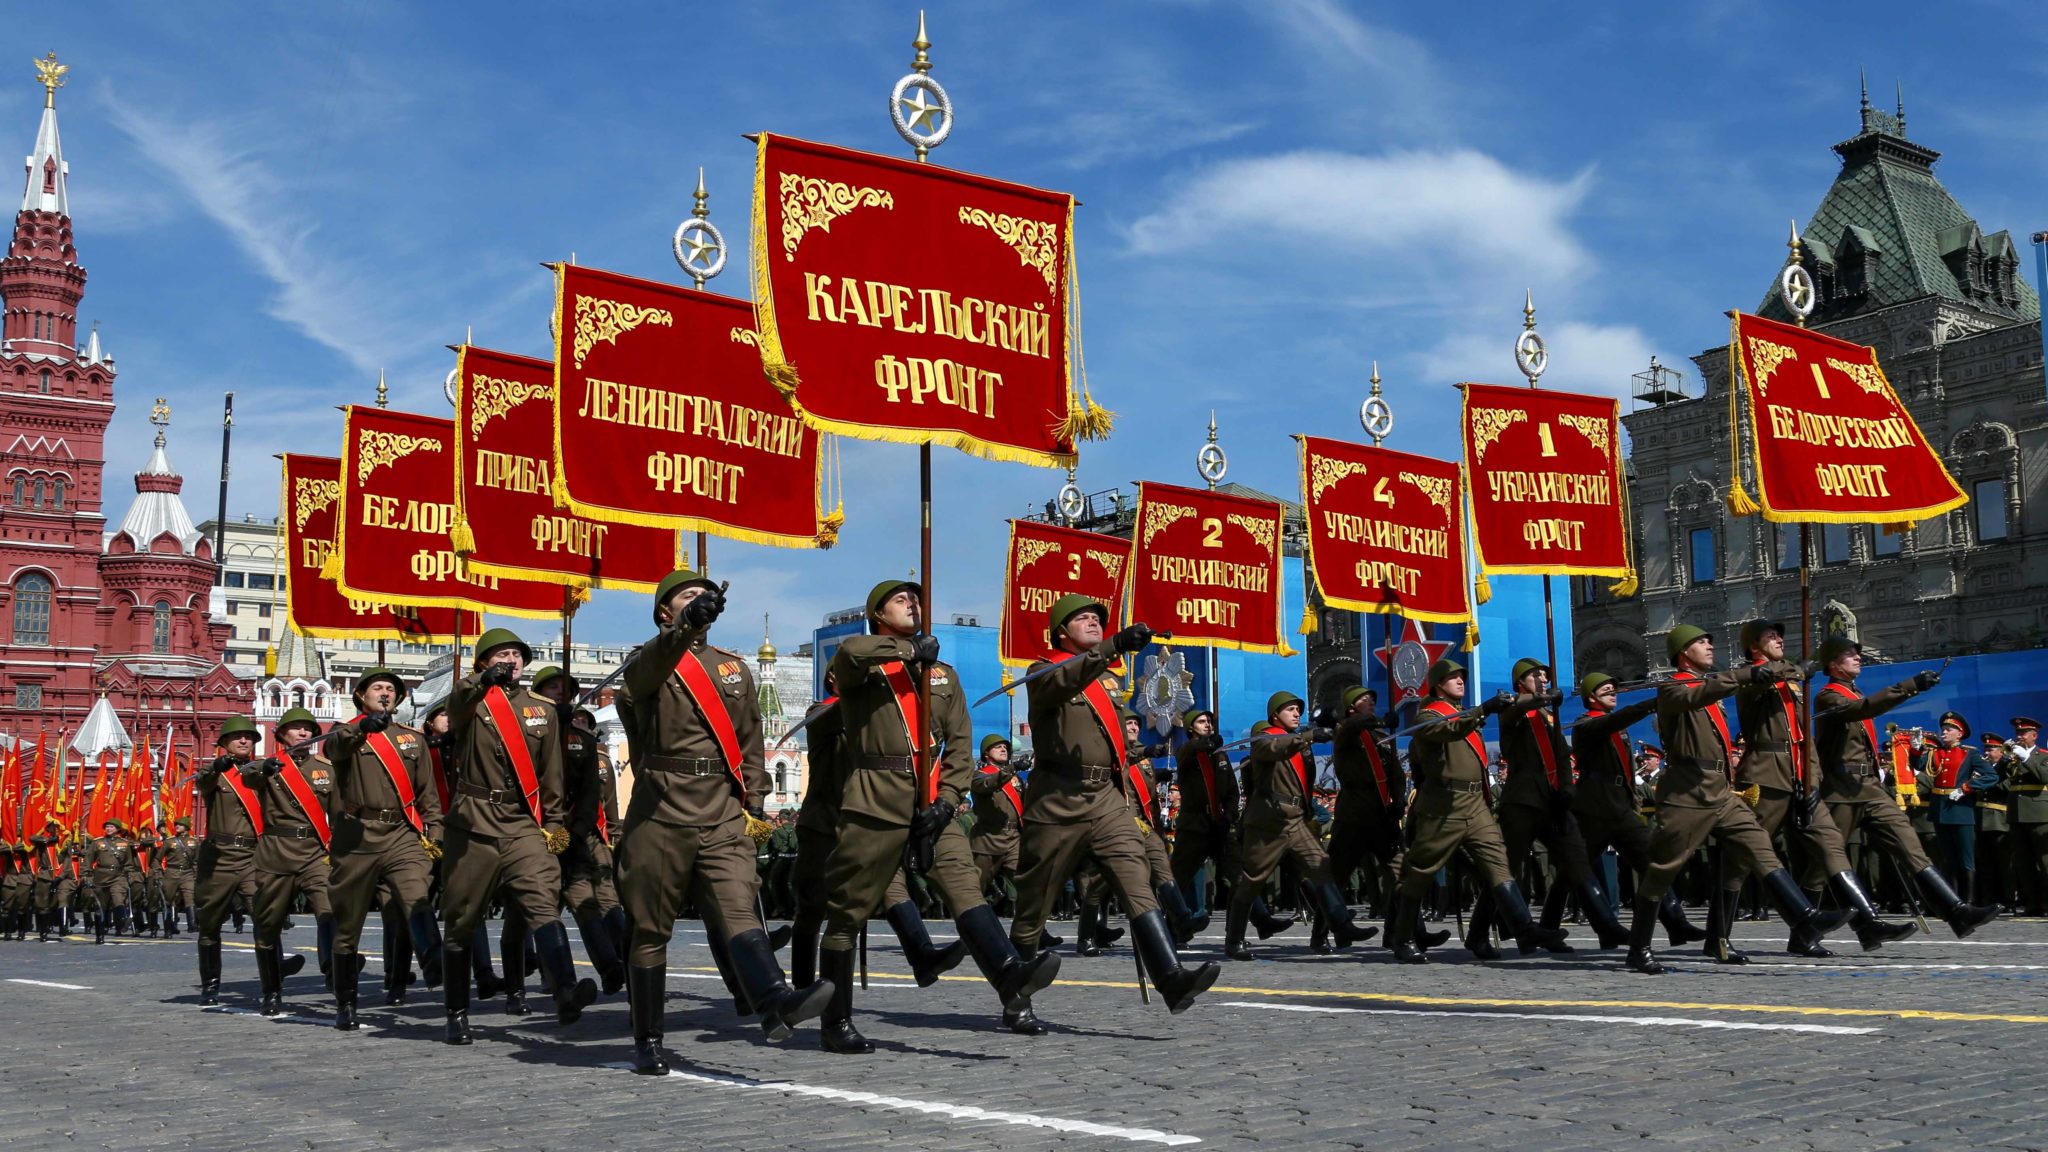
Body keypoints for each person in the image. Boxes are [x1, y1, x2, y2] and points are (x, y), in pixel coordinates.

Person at [817, 578, 1061, 1052]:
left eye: (917, 599)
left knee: (965, 888)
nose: (913, 604)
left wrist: (949, 800)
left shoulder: (943, 675)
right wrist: (906, 653)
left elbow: (961, 746)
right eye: (900, 600)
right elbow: (849, 653)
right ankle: (836, 1021)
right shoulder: (863, 665)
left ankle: (1010, 978)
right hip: (874, 796)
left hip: (933, 803)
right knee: (848, 912)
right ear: (878, 615)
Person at [615, 571, 830, 1074]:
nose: (699, 601)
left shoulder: (734, 668)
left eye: (704, 597)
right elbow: (642, 679)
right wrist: (682, 632)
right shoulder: (647, 662)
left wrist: (752, 802)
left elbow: (751, 738)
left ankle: (774, 998)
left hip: (721, 810)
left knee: (739, 908)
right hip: (662, 809)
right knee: (650, 930)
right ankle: (647, 1038)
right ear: (663, 612)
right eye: (687, 596)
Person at [1006, 594, 1219, 1020]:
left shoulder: (1105, 680)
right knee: (1036, 900)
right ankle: (1015, 992)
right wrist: (1114, 646)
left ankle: (1171, 978)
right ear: (1060, 632)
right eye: (1082, 618)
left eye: (1097, 619)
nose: (1092, 622)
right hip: (1059, 799)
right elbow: (1061, 682)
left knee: (1135, 875)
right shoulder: (1042, 670)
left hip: (1105, 798)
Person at [1624, 626, 1852, 975]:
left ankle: (1805, 917)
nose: (1710, 645)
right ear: (1683, 652)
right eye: (1702, 642)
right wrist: (1748, 673)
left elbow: (1714, 691)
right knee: (1662, 871)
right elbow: (1699, 694)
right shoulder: (1672, 687)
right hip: (1688, 792)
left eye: (1709, 640)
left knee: (1758, 844)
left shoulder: (1709, 689)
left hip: (1720, 789)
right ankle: (1638, 948)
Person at [439, 628, 597, 1046]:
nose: (511, 660)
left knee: (543, 900)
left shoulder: (541, 711)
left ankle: (564, 989)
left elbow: (552, 774)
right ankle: (456, 1010)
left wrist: (555, 823)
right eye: (501, 655)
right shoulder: (470, 702)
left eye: (516, 655)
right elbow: (456, 703)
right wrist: (480, 682)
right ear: (483, 663)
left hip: (523, 822)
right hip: (474, 821)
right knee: (461, 918)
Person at [1726, 620, 1912, 960]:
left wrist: (1812, 778)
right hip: (1766, 777)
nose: (1779, 639)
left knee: (1831, 845)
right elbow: (1761, 682)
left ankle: (1866, 922)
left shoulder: (1793, 682)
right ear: (1754, 647)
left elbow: (1802, 736)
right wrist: (1798, 669)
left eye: (1780, 635)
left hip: (1800, 778)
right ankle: (1718, 937)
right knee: (1744, 858)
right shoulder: (1753, 678)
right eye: (1771, 636)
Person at [1813, 636, 1997, 939]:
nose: (1858, 658)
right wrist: (1912, 684)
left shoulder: (1851, 692)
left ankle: (1956, 911)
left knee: (1909, 844)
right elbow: (1865, 708)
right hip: (1842, 789)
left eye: (1858, 653)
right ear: (1833, 664)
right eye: (1850, 655)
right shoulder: (1829, 696)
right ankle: (1820, 926)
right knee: (1827, 860)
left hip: (1868, 786)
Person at [1385, 660, 1568, 963]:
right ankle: (1402, 938)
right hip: (1444, 806)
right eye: (1452, 677)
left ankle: (1524, 929)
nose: (1459, 681)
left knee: (1498, 865)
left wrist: (1544, 699)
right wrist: (1483, 709)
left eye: (1461, 677)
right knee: (1419, 874)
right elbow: (1449, 730)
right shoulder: (1428, 715)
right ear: (1436, 684)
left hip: (1476, 804)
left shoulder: (1465, 714)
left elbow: (1509, 706)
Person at [319, 669, 445, 1030]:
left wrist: (434, 830)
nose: (385, 693)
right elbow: (333, 748)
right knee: (348, 924)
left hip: (401, 832)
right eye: (378, 688)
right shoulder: (346, 733)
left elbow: (427, 792)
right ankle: (346, 1000)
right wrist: (363, 729)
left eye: (391, 689)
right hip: (356, 836)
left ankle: (433, 962)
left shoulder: (411, 739)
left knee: (415, 893)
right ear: (361, 696)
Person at [1480, 657, 1628, 955]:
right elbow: (1516, 710)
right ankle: (1482, 931)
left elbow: (1562, 755)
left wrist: (1568, 789)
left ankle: (1606, 925)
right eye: (1536, 675)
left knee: (1577, 861)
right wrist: (1539, 698)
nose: (1543, 679)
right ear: (1521, 682)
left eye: (1546, 676)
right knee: (1508, 870)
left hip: (1553, 800)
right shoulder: (1513, 710)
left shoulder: (1549, 716)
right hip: (1522, 801)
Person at [1228, 690, 1375, 960]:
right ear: (1275, 716)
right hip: (1269, 822)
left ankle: (1342, 925)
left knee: (1321, 866)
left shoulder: (1300, 743)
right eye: (1290, 710)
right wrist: (1308, 736)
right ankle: (1234, 939)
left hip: (1295, 818)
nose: (1297, 713)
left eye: (1298, 710)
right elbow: (1274, 748)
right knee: (1252, 880)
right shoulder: (1264, 737)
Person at [1565, 674, 1704, 948]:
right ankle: (1606, 927)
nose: (1612, 692)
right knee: (1577, 871)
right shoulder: (1586, 724)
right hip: (1595, 808)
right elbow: (1615, 720)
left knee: (1652, 861)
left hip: (1619, 805)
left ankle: (1675, 922)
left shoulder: (1616, 728)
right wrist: (1652, 703)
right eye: (1605, 690)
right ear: (1591, 697)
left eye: (1614, 688)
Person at [237, 707, 332, 1016]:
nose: (303, 733)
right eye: (296, 729)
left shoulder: (326, 768)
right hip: (276, 852)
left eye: (308, 729)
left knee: (331, 912)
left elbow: (341, 809)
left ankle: (336, 975)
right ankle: (271, 989)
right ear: (280, 735)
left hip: (315, 851)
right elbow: (248, 776)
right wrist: (266, 768)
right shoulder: (266, 766)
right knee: (267, 924)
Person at [194, 717, 267, 1004]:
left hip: (253, 855)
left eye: (248, 737)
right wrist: (216, 768)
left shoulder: (261, 771)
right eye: (236, 737)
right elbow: (202, 782)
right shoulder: (215, 772)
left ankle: (272, 983)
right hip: (220, 857)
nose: (243, 741)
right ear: (223, 743)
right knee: (210, 924)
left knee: (265, 918)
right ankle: (210, 985)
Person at [1914, 711, 1998, 906]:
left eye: (1949, 729)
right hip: (1940, 810)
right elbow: (1917, 765)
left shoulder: (1970, 753)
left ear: (1959, 734)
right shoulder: (1936, 752)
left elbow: (1991, 776)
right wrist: (1916, 749)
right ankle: (1953, 901)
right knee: (1947, 859)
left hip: (1960, 809)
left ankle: (1968, 901)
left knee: (1966, 859)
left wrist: (1966, 788)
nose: (1944, 732)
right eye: (1943, 729)